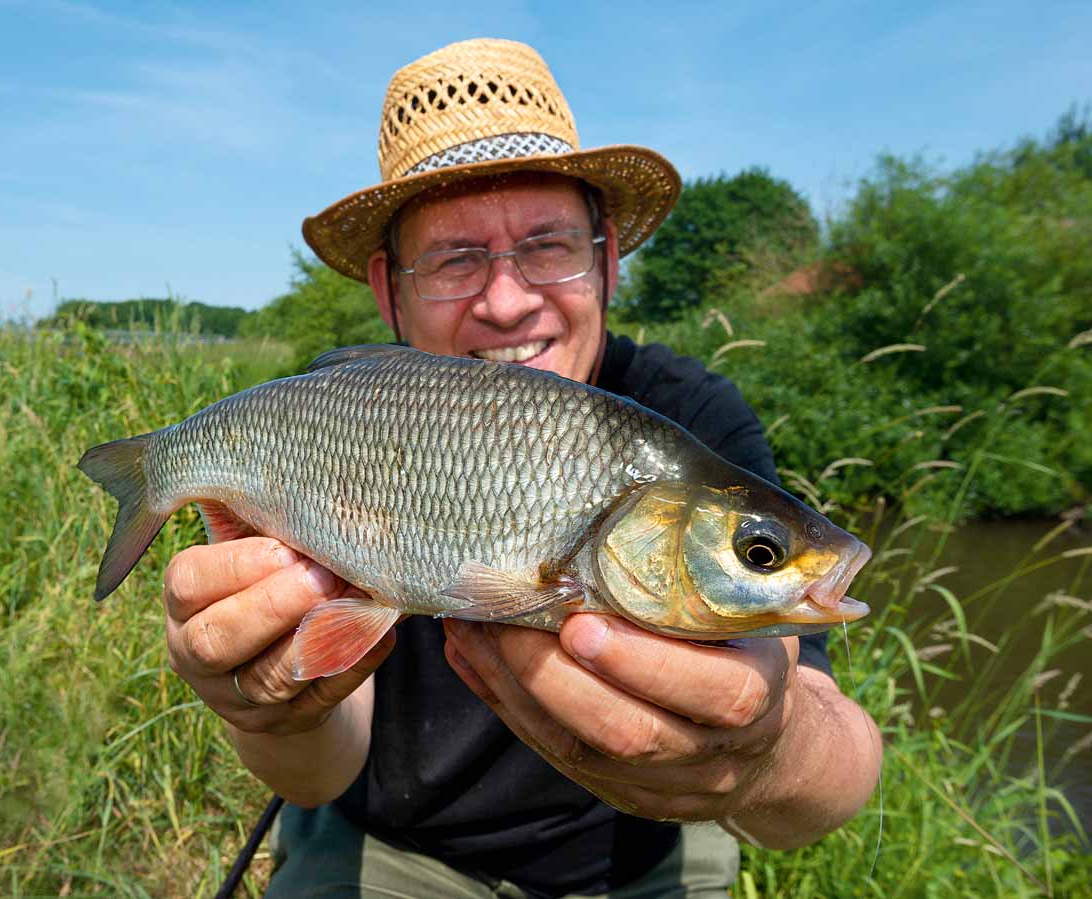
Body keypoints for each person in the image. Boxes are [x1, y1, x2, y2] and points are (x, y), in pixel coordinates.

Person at [162, 39, 882, 898]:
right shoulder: (338, 417)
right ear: (391, 293)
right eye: (457, 260)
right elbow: (316, 773)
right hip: (392, 844)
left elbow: (832, 779)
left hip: (638, 858)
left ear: (607, 260)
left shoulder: (690, 424)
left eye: (546, 246)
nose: (507, 300)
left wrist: (772, 748)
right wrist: (268, 702)